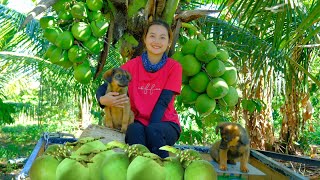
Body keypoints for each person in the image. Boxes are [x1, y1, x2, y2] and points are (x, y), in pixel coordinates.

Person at [96, 19, 182, 158]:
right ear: (145, 39)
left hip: (166, 125)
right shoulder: (132, 66)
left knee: (153, 131)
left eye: (162, 37)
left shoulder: (174, 67)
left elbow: (163, 103)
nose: (157, 41)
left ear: (169, 43)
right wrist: (102, 99)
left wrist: (148, 131)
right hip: (138, 123)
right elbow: (106, 86)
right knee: (134, 130)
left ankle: (163, 172)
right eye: (152, 36)